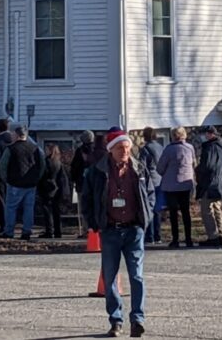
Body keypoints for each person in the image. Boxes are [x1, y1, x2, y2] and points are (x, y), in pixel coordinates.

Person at [82, 128, 155, 339]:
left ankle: (137, 320)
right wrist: (94, 223)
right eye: (120, 148)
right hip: (110, 230)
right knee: (110, 276)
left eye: (127, 147)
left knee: (137, 276)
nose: (125, 151)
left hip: (134, 230)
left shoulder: (139, 169)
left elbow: (150, 194)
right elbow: (87, 198)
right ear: (111, 150)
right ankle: (116, 321)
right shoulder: (98, 171)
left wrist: (145, 219)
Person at [0, 123, 45, 240]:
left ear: (16, 135)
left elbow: (3, 166)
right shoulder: (35, 149)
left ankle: (9, 231)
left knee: (11, 208)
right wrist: (37, 178)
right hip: (31, 184)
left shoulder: (11, 149)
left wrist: (6, 180)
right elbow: (42, 165)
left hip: (14, 183)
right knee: (29, 208)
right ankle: (27, 231)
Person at [156, 126, 195, 249]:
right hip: (186, 184)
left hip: (172, 185)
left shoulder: (169, 149)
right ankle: (188, 239)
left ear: (173, 136)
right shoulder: (190, 148)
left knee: (173, 213)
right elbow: (194, 163)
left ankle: (175, 239)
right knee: (186, 212)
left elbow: (160, 168)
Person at [195, 125, 222, 248]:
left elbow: (207, 166)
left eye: (205, 134)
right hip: (219, 182)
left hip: (210, 183)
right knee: (216, 208)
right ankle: (220, 233)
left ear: (210, 134)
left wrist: (197, 170)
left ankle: (213, 236)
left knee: (206, 209)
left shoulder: (210, 148)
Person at [39, 143, 69, 239]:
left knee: (47, 211)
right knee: (56, 211)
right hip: (57, 189)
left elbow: (41, 175)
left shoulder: (46, 162)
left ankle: (49, 231)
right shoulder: (58, 162)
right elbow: (63, 178)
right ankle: (58, 231)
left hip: (47, 188)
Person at [139, 128, 164, 245]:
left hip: (150, 182)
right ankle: (158, 236)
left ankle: (150, 236)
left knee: (149, 208)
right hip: (160, 180)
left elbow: (142, 167)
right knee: (158, 209)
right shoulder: (161, 147)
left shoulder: (145, 149)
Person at [70, 129, 96, 237]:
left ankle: (86, 230)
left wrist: (74, 180)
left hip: (82, 184)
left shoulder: (80, 151)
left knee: (84, 208)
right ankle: (96, 229)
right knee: (95, 206)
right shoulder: (97, 151)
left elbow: (74, 168)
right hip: (95, 184)